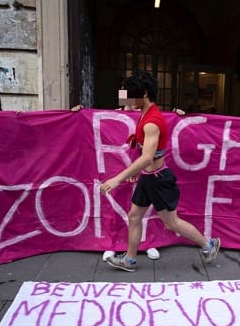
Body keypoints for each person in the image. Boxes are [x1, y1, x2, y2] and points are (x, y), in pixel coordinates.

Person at [99, 70, 220, 272]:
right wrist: (140, 170)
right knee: (134, 216)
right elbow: (146, 155)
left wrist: (118, 179)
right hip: (148, 177)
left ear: (144, 93)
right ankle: (129, 260)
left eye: (131, 94)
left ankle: (208, 245)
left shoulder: (152, 122)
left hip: (157, 179)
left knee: (172, 223)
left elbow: (147, 156)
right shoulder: (145, 114)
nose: (128, 99)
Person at [72, 96, 185, 262]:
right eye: (127, 95)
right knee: (117, 207)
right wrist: (79, 113)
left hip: (143, 169)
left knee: (147, 210)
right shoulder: (112, 115)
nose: (131, 100)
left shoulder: (148, 116)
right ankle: (113, 244)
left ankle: (147, 242)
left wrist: (175, 114)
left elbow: (158, 133)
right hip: (117, 166)